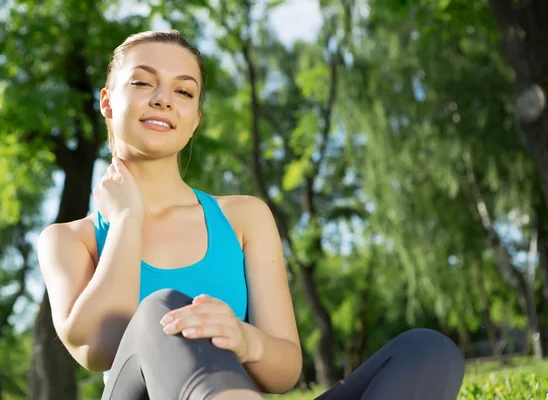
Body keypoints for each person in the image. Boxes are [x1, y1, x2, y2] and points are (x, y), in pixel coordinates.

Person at [38, 30, 465, 400]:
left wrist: (244, 339)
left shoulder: (243, 218)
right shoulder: (68, 240)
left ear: (195, 119)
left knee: (426, 351)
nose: (163, 99)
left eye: (184, 91)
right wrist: (126, 219)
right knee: (164, 310)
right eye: (142, 82)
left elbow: (284, 370)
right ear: (108, 103)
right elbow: (98, 346)